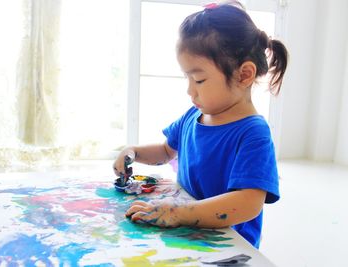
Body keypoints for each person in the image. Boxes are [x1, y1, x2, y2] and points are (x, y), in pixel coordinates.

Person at [113, 1, 288, 249]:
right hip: (185, 233)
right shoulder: (192, 115)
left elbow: (249, 202)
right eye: (187, 78)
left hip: (225, 246)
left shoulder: (253, 134)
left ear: (244, 75)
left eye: (199, 79)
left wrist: (179, 213)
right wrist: (134, 152)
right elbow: (165, 151)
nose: (189, 90)